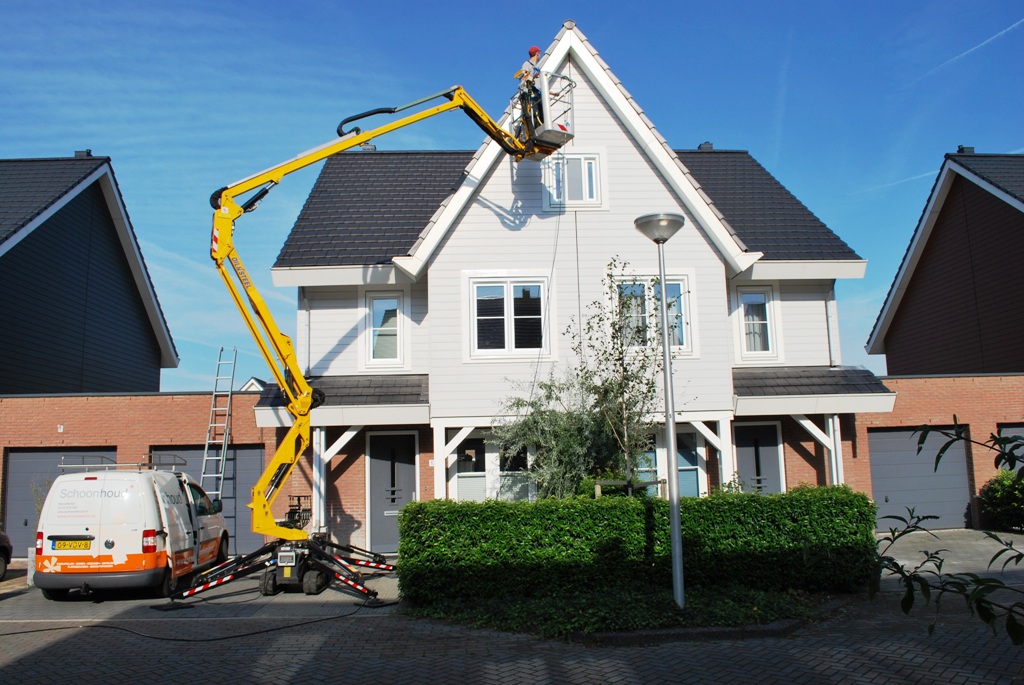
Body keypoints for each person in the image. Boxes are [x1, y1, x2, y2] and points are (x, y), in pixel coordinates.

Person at [514, 46, 543, 138]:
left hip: (539, 94)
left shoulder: (537, 68)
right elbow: (525, 79)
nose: (539, 56)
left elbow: (540, 86)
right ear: (537, 53)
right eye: (539, 54)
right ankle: (535, 132)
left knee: (542, 114)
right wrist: (534, 76)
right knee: (535, 114)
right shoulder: (527, 65)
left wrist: (551, 93)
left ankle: (541, 130)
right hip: (532, 95)